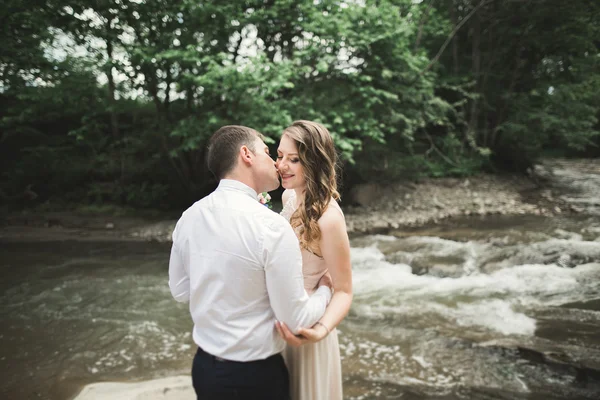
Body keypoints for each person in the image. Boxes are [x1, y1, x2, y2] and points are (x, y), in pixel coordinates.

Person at [168, 125, 333, 400]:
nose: (276, 163)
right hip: (256, 378)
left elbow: (180, 291)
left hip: (205, 370)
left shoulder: (190, 217)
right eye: (268, 153)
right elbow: (296, 319)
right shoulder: (271, 226)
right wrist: (326, 288)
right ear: (246, 154)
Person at [274, 120, 353, 400]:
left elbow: (344, 290)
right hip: (280, 318)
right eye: (279, 155)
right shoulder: (288, 197)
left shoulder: (329, 218)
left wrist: (319, 331)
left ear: (314, 162)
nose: (281, 165)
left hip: (309, 324)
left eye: (293, 159)